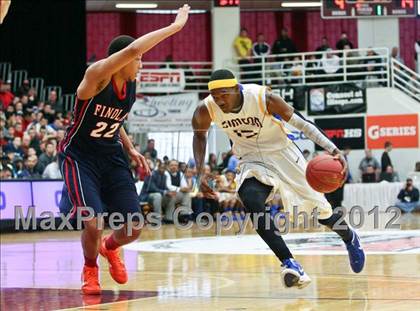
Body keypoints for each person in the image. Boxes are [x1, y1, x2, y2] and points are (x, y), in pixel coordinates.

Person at [57, 5, 190, 295]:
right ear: (123, 59)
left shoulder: (129, 85)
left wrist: (130, 148)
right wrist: (174, 27)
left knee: (134, 227)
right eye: (138, 58)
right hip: (80, 156)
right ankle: (90, 268)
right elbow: (132, 51)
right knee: (93, 221)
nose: (140, 63)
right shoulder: (97, 77)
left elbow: (115, 120)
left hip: (111, 155)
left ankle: (110, 248)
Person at [192, 69, 365, 289]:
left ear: (237, 89)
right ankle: (289, 262)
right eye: (215, 96)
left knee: (321, 212)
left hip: (283, 154)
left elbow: (302, 123)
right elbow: (199, 135)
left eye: (224, 94)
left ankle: (349, 237)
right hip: (250, 158)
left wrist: (333, 149)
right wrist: (199, 172)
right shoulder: (206, 108)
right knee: (251, 200)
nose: (220, 100)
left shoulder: (263, 98)